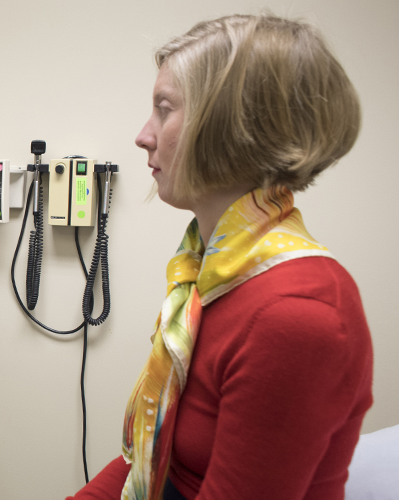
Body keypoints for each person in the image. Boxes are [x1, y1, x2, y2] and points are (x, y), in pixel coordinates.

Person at [69, 15, 372, 500]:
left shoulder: (298, 313)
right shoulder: (210, 270)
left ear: (231, 127)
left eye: (164, 109)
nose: (143, 135)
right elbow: (151, 460)